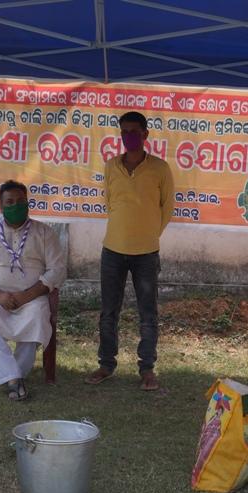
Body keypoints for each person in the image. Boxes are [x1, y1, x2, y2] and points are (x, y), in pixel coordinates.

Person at [85, 111, 175, 391]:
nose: (129, 137)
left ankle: (147, 369)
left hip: (146, 253)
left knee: (147, 314)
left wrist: (147, 235)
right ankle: (106, 364)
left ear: (146, 134)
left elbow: (167, 208)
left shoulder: (160, 168)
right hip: (112, 250)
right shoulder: (111, 166)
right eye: (124, 132)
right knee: (108, 312)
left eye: (134, 131)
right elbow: (109, 202)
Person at [0, 180, 66, 401]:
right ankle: (14, 377)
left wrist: (27, 295)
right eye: (9, 202)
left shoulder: (44, 233)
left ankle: (7, 374)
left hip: (32, 297)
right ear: (0, 206)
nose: (16, 206)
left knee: (38, 316)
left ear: (28, 203)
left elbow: (57, 270)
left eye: (21, 201)